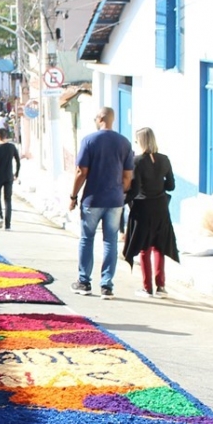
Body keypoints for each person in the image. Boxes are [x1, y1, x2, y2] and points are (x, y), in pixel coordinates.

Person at [69, 107, 134, 300]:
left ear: (100, 119)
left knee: (87, 239)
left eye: (95, 117)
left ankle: (84, 281)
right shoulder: (124, 142)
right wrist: (119, 191)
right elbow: (128, 176)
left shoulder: (89, 140)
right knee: (110, 241)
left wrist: (73, 196)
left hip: (93, 199)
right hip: (114, 200)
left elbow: (81, 171)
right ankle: (106, 286)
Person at [123, 127, 179, 298]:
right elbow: (171, 186)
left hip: (142, 208)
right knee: (159, 246)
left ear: (140, 142)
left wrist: (122, 201)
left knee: (143, 247)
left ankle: (147, 288)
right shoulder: (165, 160)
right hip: (161, 208)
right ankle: (161, 286)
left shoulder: (137, 161)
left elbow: (135, 189)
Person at [0, 127, 21, 230]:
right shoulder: (12, 147)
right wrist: (16, 174)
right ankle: (8, 225)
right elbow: (18, 161)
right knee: (8, 200)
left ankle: (0, 216)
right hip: (9, 176)